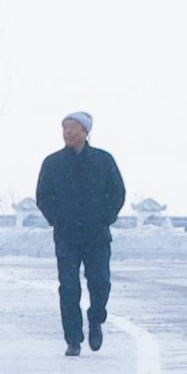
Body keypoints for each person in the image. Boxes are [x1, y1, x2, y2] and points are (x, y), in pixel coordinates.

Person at [36, 111, 127, 352]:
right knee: (68, 287)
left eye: (74, 127)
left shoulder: (103, 160)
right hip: (66, 236)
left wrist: (105, 217)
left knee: (100, 283)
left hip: (96, 235)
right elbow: (43, 196)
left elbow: (117, 192)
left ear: (85, 132)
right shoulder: (53, 162)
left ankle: (96, 319)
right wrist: (56, 219)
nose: (68, 132)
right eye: (65, 127)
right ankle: (73, 339)